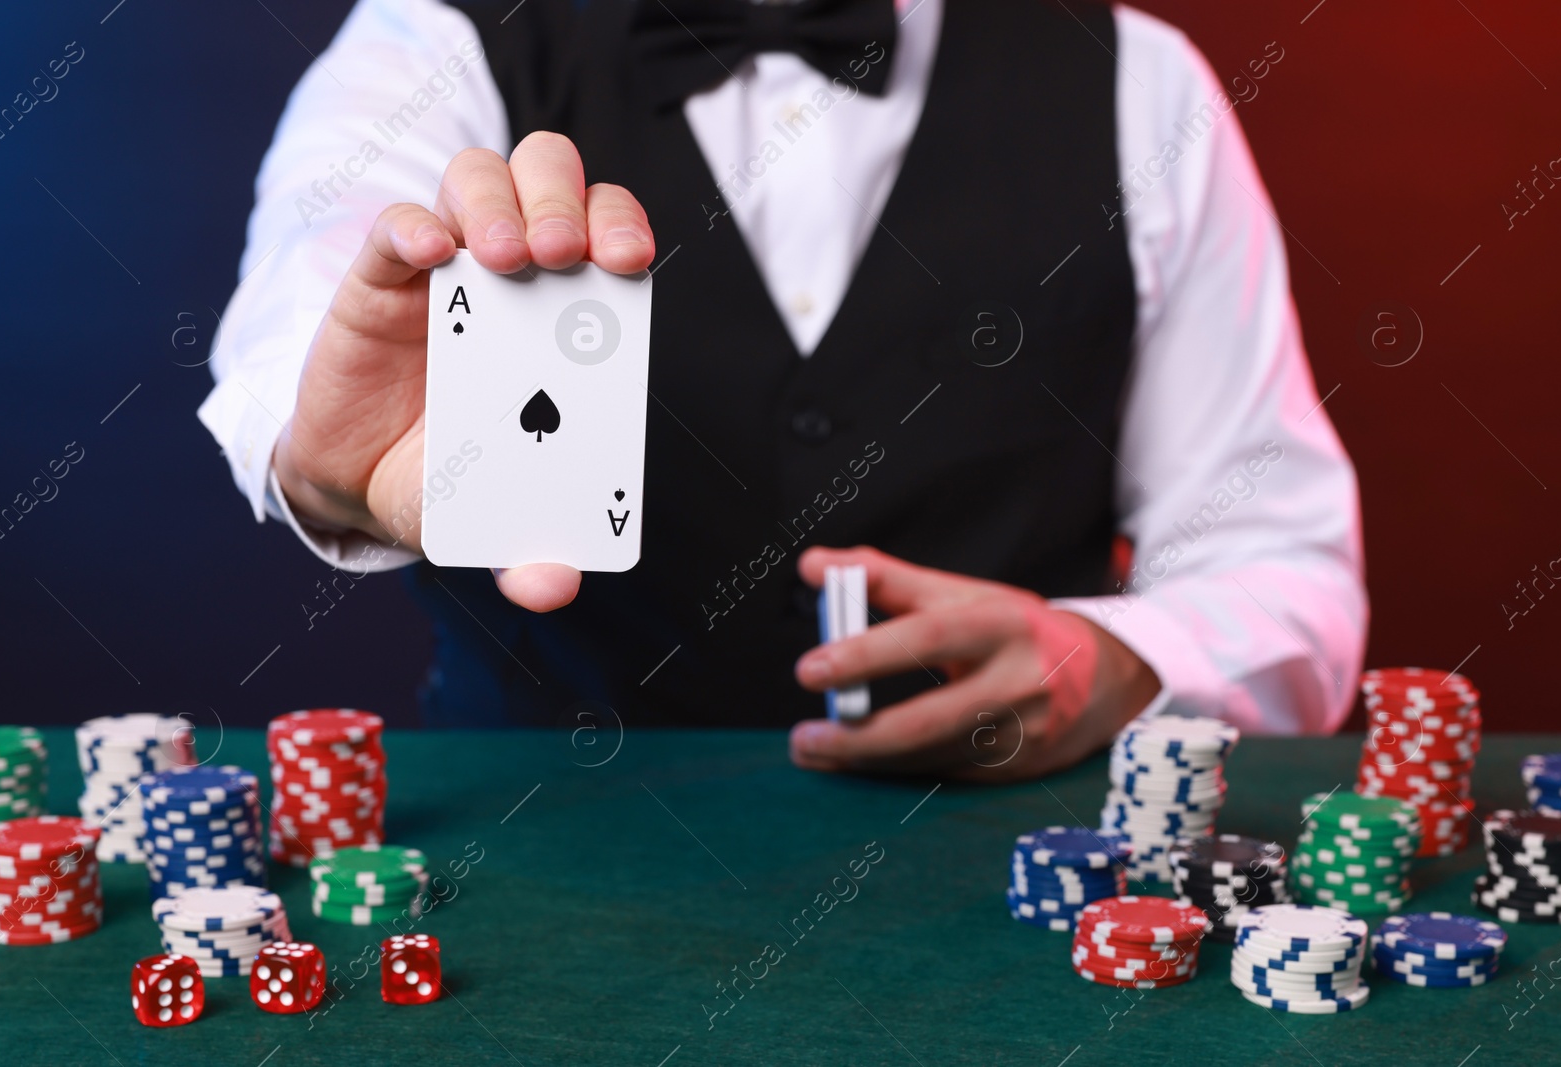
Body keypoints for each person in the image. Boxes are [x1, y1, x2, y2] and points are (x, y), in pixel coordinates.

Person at [199, 0, 1366, 780]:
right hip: (533, 872)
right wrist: (326, 456)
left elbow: (1283, 564)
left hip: (999, 904)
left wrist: (1122, 657)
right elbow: (299, 324)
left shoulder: (1142, 84)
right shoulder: (433, 41)